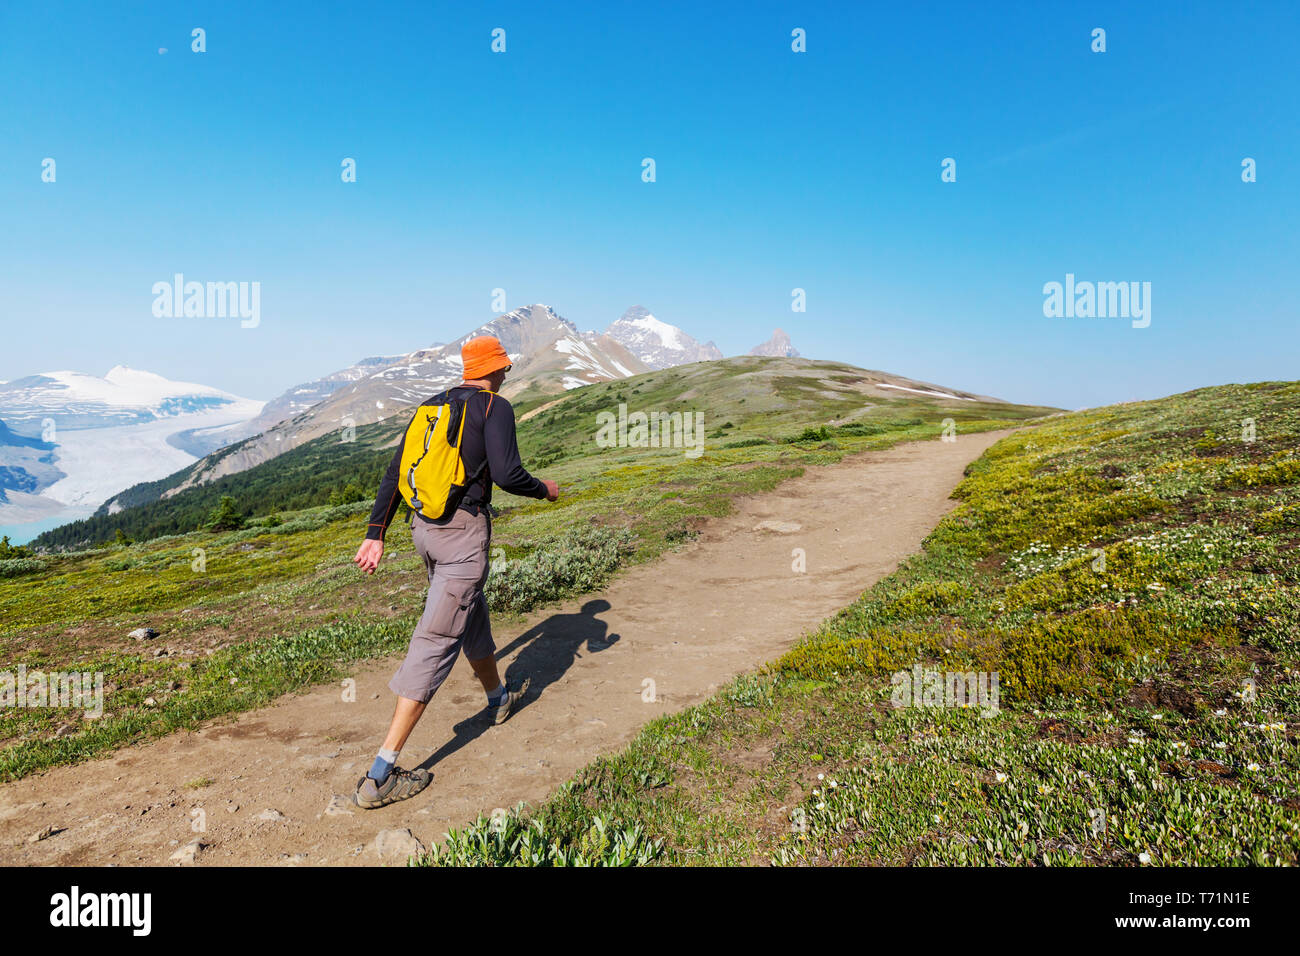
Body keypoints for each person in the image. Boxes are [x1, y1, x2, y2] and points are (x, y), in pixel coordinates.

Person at [350, 335, 559, 808]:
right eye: (504, 366)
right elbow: (507, 475)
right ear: (494, 368)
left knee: (468, 610)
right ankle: (380, 775)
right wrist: (543, 489)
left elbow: (393, 471)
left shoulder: (433, 405)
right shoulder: (494, 407)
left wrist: (375, 531)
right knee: (436, 639)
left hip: (423, 531)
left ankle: (497, 697)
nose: (507, 372)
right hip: (463, 535)